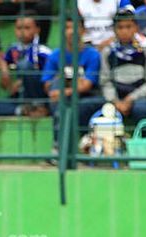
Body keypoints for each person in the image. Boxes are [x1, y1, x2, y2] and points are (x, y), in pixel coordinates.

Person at [42, 16, 105, 145]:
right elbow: (48, 85)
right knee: (58, 92)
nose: (71, 32)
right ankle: (62, 147)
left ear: (83, 30)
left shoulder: (92, 54)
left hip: (89, 97)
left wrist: (64, 85)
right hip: (64, 97)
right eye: (67, 28)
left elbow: (87, 85)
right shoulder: (55, 55)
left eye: (74, 27)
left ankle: (59, 148)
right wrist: (72, 83)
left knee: (71, 105)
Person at [99, 9, 146, 121]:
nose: (124, 31)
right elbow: (105, 81)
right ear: (114, 30)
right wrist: (115, 101)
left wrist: (131, 98)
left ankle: (143, 138)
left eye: (128, 27)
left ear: (136, 28)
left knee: (142, 109)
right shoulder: (108, 51)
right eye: (120, 27)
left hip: (140, 95)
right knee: (100, 109)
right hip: (115, 96)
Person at [0, 16, 50, 117]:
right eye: (19, 28)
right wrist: (4, 71)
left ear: (37, 30)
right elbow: (4, 59)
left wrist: (22, 81)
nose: (22, 32)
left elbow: (49, 76)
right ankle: (21, 110)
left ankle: (37, 107)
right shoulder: (14, 48)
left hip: (37, 94)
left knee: (24, 65)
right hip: (19, 96)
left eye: (27, 28)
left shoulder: (43, 51)